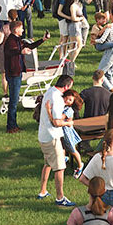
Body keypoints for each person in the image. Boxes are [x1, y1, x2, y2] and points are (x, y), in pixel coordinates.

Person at [37, 73, 76, 207]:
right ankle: (60, 197)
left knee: (48, 163)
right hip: (52, 137)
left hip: (43, 135)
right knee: (60, 167)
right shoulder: (58, 99)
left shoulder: (50, 91)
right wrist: (68, 123)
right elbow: (56, 122)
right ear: (66, 86)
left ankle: (42, 191)